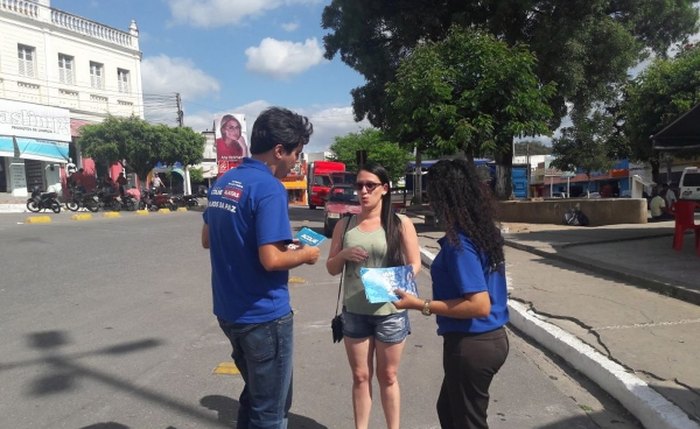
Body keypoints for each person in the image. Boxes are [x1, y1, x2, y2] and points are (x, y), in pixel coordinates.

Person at [201, 106, 320, 429]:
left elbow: (208, 238)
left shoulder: (225, 181)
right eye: (296, 153)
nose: (296, 161)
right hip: (263, 316)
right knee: (272, 411)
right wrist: (306, 255)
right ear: (279, 151)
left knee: (256, 396)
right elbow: (272, 260)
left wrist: (283, 244)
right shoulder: (269, 188)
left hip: (229, 311)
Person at [393, 159, 510, 429]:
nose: (428, 199)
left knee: (466, 421)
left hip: (472, 343)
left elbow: (479, 305)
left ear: (444, 195)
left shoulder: (461, 245)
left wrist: (419, 304)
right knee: (449, 410)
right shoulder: (481, 232)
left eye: (432, 192)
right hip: (490, 339)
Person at [325, 161, 420, 429]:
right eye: (359, 186)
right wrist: (343, 255)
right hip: (355, 312)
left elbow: (415, 264)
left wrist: (393, 281)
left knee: (388, 376)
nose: (364, 191)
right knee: (360, 376)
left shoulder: (400, 223)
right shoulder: (345, 225)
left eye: (370, 185)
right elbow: (331, 268)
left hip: (390, 312)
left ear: (385, 189)